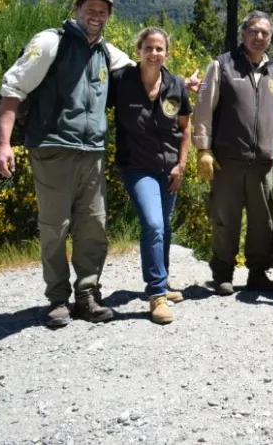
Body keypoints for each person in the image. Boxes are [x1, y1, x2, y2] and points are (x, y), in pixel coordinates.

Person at [0, 0, 133, 328]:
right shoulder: (49, 43)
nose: (96, 16)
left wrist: (180, 86)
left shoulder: (107, 52)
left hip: (92, 152)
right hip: (52, 147)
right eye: (90, 9)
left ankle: (87, 296)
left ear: (109, 16)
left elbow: (143, 73)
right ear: (76, 9)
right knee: (54, 227)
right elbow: (13, 88)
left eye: (102, 11)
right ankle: (57, 299)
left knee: (94, 226)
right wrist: (3, 144)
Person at [193, 11, 273, 296]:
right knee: (226, 219)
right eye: (253, 31)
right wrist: (203, 149)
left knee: (262, 222)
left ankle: (257, 273)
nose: (259, 37)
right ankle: (223, 273)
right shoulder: (222, 65)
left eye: (265, 33)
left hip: (263, 162)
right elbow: (204, 107)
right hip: (227, 160)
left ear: (270, 38)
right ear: (243, 33)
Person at [108, 27, 192, 324]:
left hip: (169, 168)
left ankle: (163, 282)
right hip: (136, 167)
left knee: (164, 226)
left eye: (159, 49)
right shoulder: (121, 81)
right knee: (153, 224)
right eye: (149, 48)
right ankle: (156, 295)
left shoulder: (176, 84)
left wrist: (181, 165)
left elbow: (185, 128)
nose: (154, 53)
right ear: (138, 51)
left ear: (167, 53)